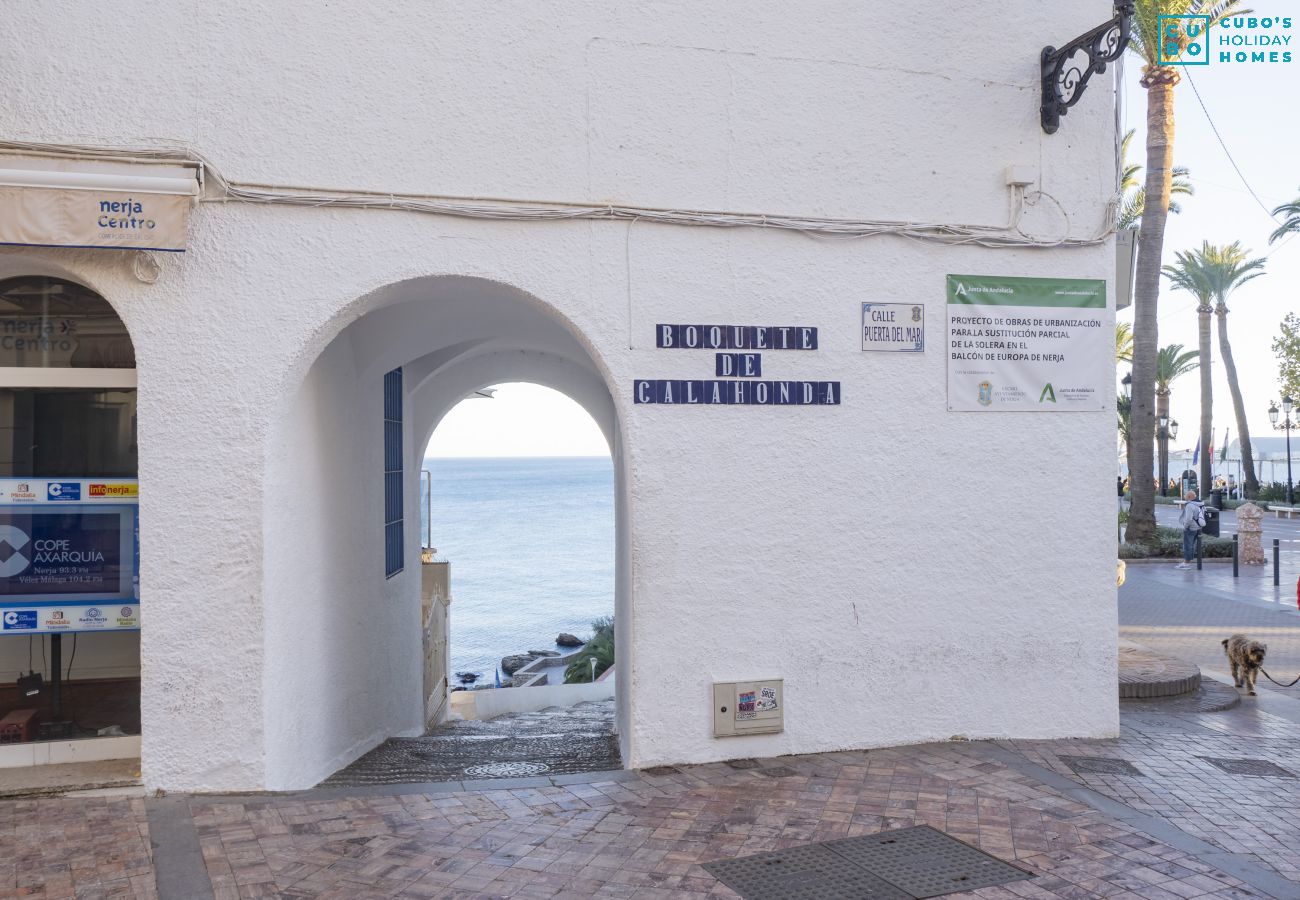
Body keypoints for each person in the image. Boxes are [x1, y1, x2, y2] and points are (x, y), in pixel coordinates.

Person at [1176, 490, 1206, 569]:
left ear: (1189, 497)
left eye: (1185, 495)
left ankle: (1186, 563)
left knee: (1187, 545)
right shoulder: (1200, 504)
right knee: (1192, 545)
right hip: (1198, 528)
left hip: (1190, 528)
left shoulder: (1190, 505)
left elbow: (1188, 519)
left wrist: (1186, 526)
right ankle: (1188, 561)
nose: (1184, 497)